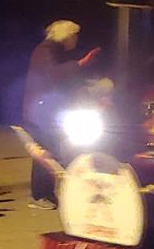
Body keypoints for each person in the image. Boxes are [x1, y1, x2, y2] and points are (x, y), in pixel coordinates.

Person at [21, 20, 100, 210]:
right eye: (74, 35)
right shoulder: (45, 51)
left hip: (48, 111)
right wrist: (81, 63)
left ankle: (49, 192)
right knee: (45, 152)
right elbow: (55, 75)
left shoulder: (54, 52)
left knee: (53, 150)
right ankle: (40, 195)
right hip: (41, 112)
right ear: (66, 36)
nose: (76, 40)